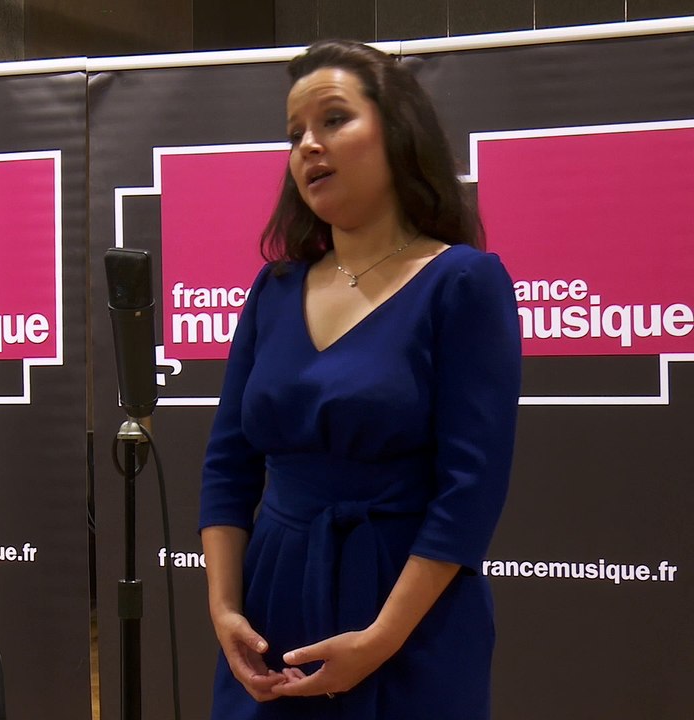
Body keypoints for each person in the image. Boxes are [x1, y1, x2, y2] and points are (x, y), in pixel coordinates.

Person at [199, 39, 521, 719]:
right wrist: (225, 611)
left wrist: (380, 640)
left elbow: (471, 491)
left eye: (333, 120)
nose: (309, 146)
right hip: (271, 610)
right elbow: (228, 465)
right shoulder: (275, 288)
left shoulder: (463, 281)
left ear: (397, 131)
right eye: (294, 135)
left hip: (409, 617)